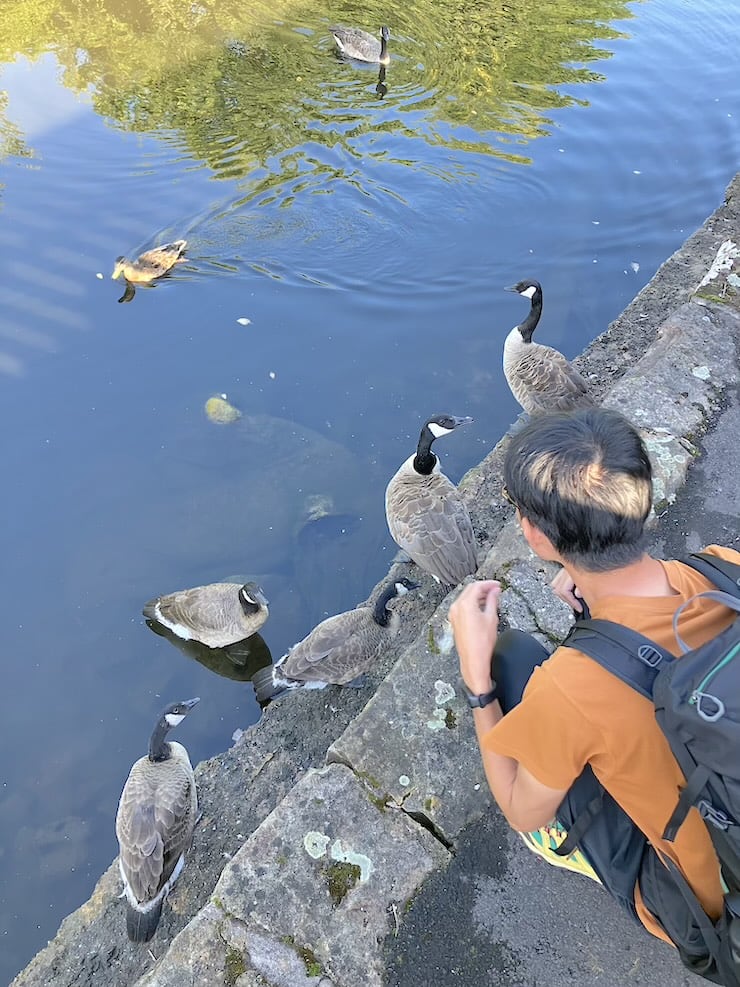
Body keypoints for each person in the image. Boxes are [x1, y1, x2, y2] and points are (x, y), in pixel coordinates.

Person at [449, 406, 740, 978]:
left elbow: (521, 810)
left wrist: (477, 682)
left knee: (514, 663)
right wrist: (599, 610)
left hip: (710, 909)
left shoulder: (570, 689)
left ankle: (617, 870)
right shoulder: (723, 571)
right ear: (644, 501)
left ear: (535, 535)